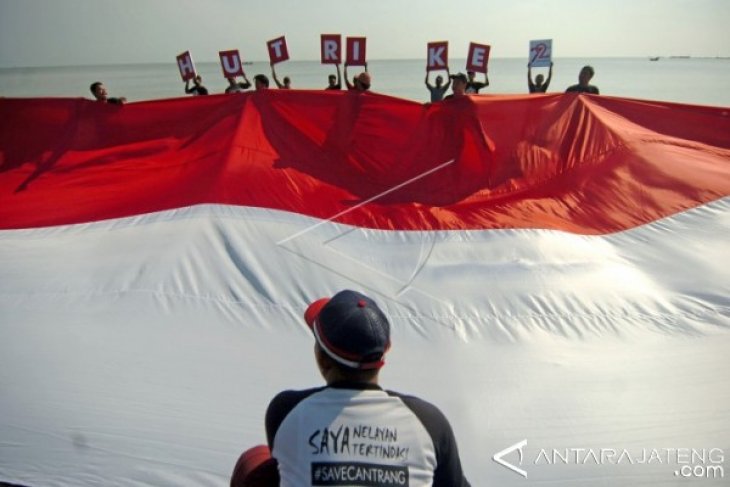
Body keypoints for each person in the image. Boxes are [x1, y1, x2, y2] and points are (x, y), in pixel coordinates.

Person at [261, 289, 471, 486]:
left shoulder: (286, 412)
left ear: (322, 359)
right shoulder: (430, 423)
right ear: (385, 352)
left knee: (256, 464)